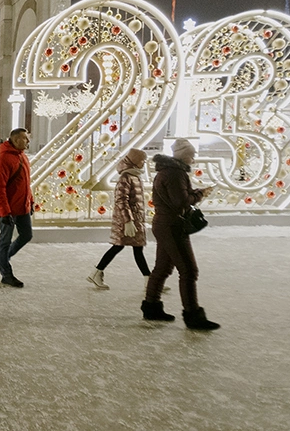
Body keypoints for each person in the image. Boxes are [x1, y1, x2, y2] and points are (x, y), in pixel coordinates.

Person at [142, 138, 220, 331]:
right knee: (188, 270)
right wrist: (200, 195)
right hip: (172, 225)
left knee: (163, 268)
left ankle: (152, 307)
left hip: (164, 223)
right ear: (184, 155)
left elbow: (176, 197)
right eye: (192, 155)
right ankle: (193, 315)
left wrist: (196, 192)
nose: (193, 159)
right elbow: (180, 202)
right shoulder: (175, 173)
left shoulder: (167, 171)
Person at [88, 149, 159, 291]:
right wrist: (128, 221)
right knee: (122, 247)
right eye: (141, 160)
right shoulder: (126, 177)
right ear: (134, 161)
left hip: (134, 220)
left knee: (131, 248)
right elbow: (121, 200)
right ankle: (97, 272)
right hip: (126, 221)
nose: (143, 163)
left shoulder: (135, 176)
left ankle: (97, 272)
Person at [0, 128, 32, 288]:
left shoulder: (22, 156)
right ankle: (6, 274)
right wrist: (5, 211)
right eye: (24, 138)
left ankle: (3, 259)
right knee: (5, 241)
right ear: (15, 140)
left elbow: (25, 183)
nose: (27, 141)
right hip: (8, 209)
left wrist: (30, 200)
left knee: (27, 235)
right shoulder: (4, 160)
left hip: (23, 207)